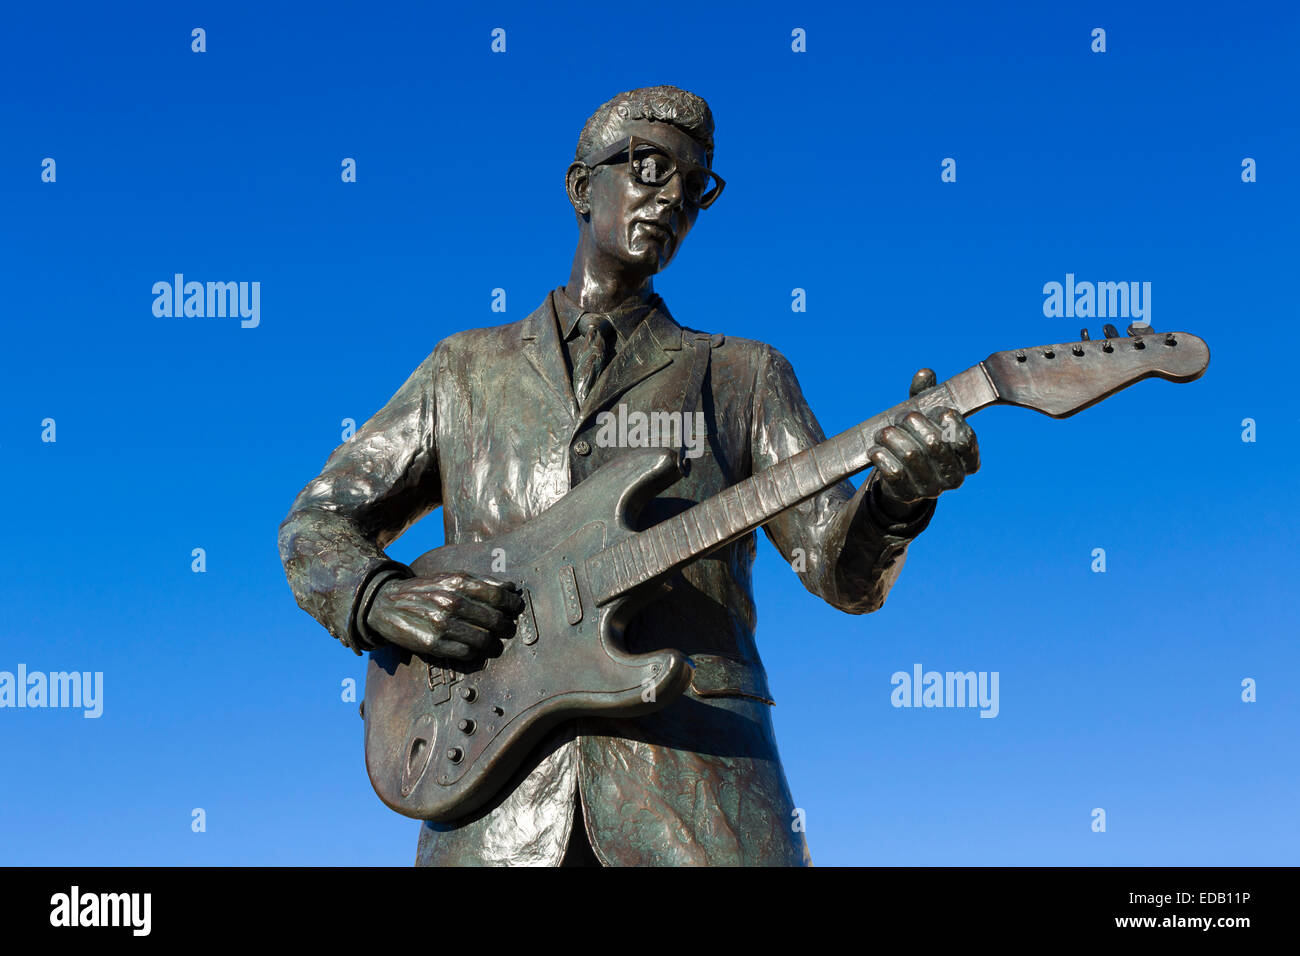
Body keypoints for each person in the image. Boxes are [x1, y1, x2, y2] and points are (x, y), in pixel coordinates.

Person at [278, 85, 979, 866]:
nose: (673, 197)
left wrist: (899, 495)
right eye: (649, 168)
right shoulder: (463, 370)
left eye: (695, 186)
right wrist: (378, 600)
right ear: (582, 187)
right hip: (490, 800)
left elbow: (843, 573)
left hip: (703, 792)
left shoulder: (744, 375)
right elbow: (317, 523)